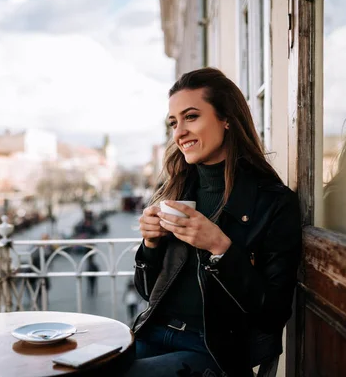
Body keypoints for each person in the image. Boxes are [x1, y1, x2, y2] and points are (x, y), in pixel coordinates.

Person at [127, 68, 302, 377]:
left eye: (191, 117)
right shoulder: (173, 191)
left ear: (227, 119)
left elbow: (273, 314)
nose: (179, 132)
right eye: (173, 122)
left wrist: (220, 247)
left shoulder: (273, 202)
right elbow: (146, 291)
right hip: (152, 334)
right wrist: (150, 245)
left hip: (213, 351)